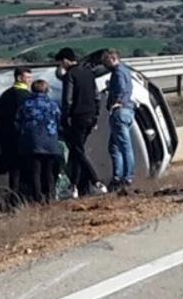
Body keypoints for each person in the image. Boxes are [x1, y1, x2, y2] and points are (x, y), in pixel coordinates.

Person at [55, 47, 107, 198]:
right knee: (77, 152)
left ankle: (96, 182)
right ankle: (74, 187)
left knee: (78, 151)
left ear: (65, 60)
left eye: (60, 63)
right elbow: (96, 96)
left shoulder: (70, 75)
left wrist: (65, 118)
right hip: (91, 116)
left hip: (77, 118)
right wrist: (96, 115)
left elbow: (68, 100)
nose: (61, 66)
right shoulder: (88, 73)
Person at [0, 66, 33, 199]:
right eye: (27, 78)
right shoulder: (26, 96)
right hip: (20, 139)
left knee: (7, 170)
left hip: (5, 138)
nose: (30, 81)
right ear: (19, 78)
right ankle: (18, 201)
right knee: (19, 171)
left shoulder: (5, 95)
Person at [15, 79, 61, 202]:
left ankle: (37, 198)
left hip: (32, 142)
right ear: (46, 90)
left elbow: (18, 122)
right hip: (50, 142)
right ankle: (50, 196)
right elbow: (59, 121)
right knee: (49, 172)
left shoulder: (26, 105)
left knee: (35, 172)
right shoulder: (53, 105)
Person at [102, 49, 136, 194]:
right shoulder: (126, 71)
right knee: (114, 147)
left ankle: (126, 177)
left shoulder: (118, 72)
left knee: (123, 147)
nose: (104, 64)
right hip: (128, 111)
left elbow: (122, 89)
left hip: (120, 111)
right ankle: (118, 177)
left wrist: (117, 102)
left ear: (113, 59)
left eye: (106, 61)